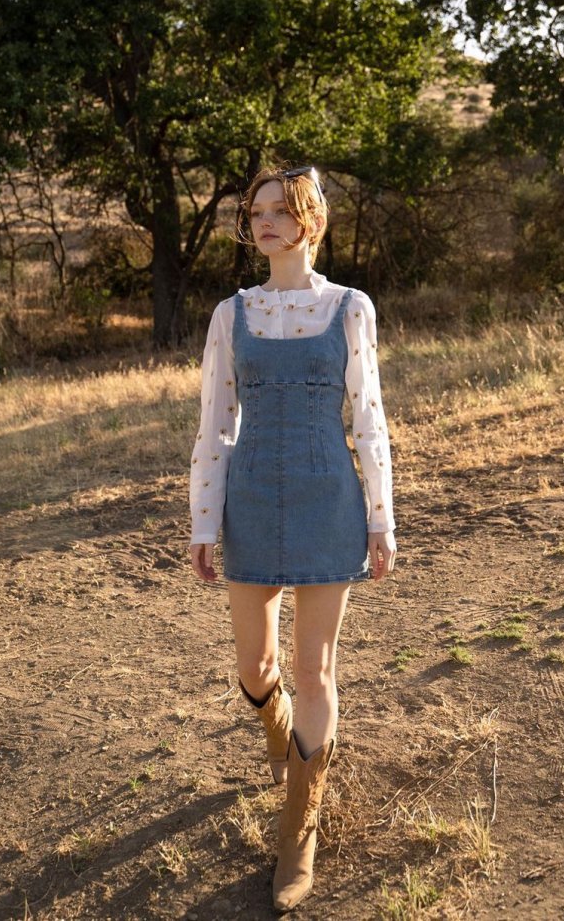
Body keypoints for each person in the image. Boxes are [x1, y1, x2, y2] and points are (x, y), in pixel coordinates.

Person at [189, 165, 396, 912]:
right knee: (256, 665)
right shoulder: (231, 313)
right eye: (257, 212)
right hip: (248, 498)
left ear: (311, 222)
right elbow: (215, 425)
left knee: (316, 668)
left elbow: (368, 416)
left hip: (326, 498)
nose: (265, 222)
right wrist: (203, 522)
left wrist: (381, 516)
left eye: (281, 211)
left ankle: (297, 832)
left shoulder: (349, 308)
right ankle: (277, 733)